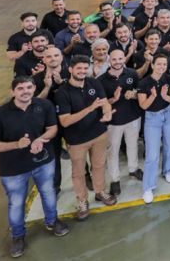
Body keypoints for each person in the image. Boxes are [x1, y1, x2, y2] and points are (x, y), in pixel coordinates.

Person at [0, 77, 69, 258]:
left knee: (48, 192)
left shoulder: (43, 105)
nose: (25, 91)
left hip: (43, 162)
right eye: (20, 88)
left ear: (34, 89)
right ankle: (18, 236)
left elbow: (53, 128)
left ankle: (52, 221)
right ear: (12, 91)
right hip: (14, 169)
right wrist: (16, 144)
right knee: (16, 203)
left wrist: (41, 139)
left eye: (29, 87)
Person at [54, 55, 117, 220]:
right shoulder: (62, 93)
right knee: (78, 173)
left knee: (98, 166)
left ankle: (100, 192)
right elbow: (65, 121)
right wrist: (90, 109)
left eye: (85, 68)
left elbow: (104, 102)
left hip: (98, 134)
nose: (82, 71)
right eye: (79, 68)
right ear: (70, 69)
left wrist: (107, 113)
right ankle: (82, 201)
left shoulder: (94, 83)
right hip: (77, 141)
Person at [98, 49, 142, 197]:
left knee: (133, 144)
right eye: (114, 59)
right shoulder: (101, 80)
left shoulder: (132, 74)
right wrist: (113, 100)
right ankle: (115, 179)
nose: (118, 62)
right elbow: (101, 103)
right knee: (113, 151)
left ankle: (133, 169)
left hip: (133, 117)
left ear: (124, 59)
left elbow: (139, 91)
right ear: (109, 60)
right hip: (114, 122)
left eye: (120, 59)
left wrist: (134, 95)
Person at [136, 53, 170, 204]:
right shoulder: (144, 83)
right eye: (159, 64)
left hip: (169, 114)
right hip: (152, 118)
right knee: (152, 154)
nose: (162, 67)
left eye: (164, 64)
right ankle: (148, 187)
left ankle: (168, 170)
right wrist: (153, 96)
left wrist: (165, 96)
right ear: (152, 65)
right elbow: (143, 105)